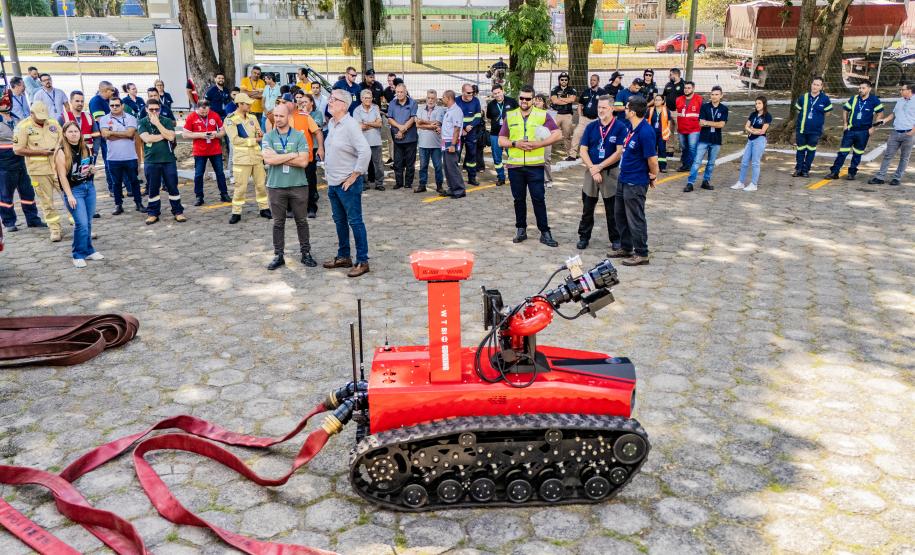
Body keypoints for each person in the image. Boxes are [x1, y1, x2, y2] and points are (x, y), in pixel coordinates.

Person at [498, 84, 562, 247]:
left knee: (538, 199)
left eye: (528, 98)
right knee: (518, 199)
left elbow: (557, 134)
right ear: (519, 98)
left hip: (535, 166)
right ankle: (521, 229)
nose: (524, 101)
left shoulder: (542, 115)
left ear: (533, 100)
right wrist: (515, 143)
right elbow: (501, 140)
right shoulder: (510, 116)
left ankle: (545, 232)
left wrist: (539, 145)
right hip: (515, 166)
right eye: (522, 98)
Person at [602, 96, 659, 266]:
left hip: (636, 181)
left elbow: (652, 160)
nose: (624, 110)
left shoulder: (646, 132)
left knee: (635, 217)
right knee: (620, 214)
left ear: (633, 112)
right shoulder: (632, 128)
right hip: (624, 178)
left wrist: (653, 175)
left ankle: (641, 253)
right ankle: (626, 247)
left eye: (626, 108)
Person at [261, 104, 316, 271]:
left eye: (281, 116)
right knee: (278, 222)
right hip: (276, 186)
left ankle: (305, 253)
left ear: (288, 118)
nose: (277, 119)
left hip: (298, 186)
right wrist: (292, 155)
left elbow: (304, 162)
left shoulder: (299, 136)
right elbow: (268, 160)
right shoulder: (268, 137)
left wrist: (279, 157)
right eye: (275, 116)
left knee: (302, 221)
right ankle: (279, 255)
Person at [323, 89, 371, 277]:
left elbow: (365, 151)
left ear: (343, 104)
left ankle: (362, 260)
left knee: (355, 221)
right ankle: (344, 256)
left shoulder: (350, 125)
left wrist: (355, 175)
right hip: (333, 183)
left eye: (333, 99)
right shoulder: (333, 123)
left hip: (347, 184)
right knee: (339, 221)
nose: (329, 101)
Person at [577, 95, 628, 251]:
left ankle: (616, 238)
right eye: (599, 107)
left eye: (604, 107)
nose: (600, 110)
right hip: (591, 172)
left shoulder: (620, 127)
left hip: (610, 173)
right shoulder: (591, 127)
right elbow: (583, 150)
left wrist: (600, 167)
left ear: (611, 108)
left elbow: (619, 153)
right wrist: (593, 168)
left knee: (613, 209)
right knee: (587, 208)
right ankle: (584, 237)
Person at [12, 102, 63, 241]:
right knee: (47, 201)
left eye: (44, 117)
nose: (42, 120)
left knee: (70, 196)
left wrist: (58, 147)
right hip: (38, 171)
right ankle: (55, 229)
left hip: (58, 167)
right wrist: (41, 152)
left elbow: (62, 138)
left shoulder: (52, 122)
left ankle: (79, 225)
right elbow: (17, 149)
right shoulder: (22, 127)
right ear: (32, 113)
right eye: (39, 117)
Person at [54, 121, 100, 267]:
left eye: (76, 131)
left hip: (88, 187)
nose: (74, 134)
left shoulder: (85, 147)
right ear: (65, 134)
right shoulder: (61, 151)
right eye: (70, 132)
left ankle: (89, 250)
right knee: (81, 224)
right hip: (74, 191)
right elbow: (62, 176)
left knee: (88, 222)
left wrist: (92, 169)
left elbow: (86, 167)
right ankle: (78, 254)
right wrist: (70, 195)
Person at [0, 92, 45, 232]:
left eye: (8, 101)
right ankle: (9, 222)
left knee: (28, 192)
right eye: (3, 101)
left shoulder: (18, 119)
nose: (6, 104)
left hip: (22, 160)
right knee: (5, 194)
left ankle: (32, 219)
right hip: (4, 163)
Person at [138, 99, 186, 225]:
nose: (154, 112)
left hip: (168, 160)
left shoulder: (166, 121)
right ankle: (153, 213)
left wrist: (158, 124)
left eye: (156, 109)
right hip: (151, 161)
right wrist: (163, 135)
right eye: (151, 109)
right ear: (146, 109)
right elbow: (146, 137)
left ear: (160, 109)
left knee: (172, 187)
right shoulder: (142, 122)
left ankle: (178, 211)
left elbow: (171, 137)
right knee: (153, 188)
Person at [224, 93, 270, 223]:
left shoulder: (252, 117)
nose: (250, 105)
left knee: (261, 185)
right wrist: (255, 139)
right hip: (241, 160)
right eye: (247, 104)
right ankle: (236, 212)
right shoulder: (230, 119)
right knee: (240, 187)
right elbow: (235, 140)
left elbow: (258, 132)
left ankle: (264, 208)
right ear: (239, 104)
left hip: (256, 158)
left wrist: (259, 134)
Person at [826, 80, 884, 181]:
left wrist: (873, 128)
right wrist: (845, 124)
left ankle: (851, 173)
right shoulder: (854, 99)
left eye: (863, 88)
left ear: (869, 89)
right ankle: (834, 172)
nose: (860, 90)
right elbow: (845, 110)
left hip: (864, 132)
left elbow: (880, 114)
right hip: (850, 131)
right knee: (842, 153)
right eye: (859, 88)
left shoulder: (874, 100)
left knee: (857, 154)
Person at [99, 96, 144, 213]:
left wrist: (112, 133)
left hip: (130, 157)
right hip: (113, 158)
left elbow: (130, 133)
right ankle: (118, 205)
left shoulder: (131, 118)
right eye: (112, 105)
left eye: (117, 105)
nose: (114, 107)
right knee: (116, 183)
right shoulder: (104, 119)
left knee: (134, 181)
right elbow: (104, 134)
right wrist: (123, 134)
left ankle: (139, 203)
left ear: (122, 106)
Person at [183, 99, 229, 206]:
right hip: (200, 151)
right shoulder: (191, 117)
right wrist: (201, 135)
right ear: (197, 109)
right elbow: (185, 134)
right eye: (202, 112)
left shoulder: (215, 115)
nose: (204, 114)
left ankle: (224, 194)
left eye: (206, 112)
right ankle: (199, 197)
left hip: (215, 149)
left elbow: (223, 131)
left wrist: (216, 135)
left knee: (220, 173)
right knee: (199, 174)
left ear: (209, 108)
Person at [868, 83, 915, 186]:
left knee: (904, 157)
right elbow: (894, 114)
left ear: (909, 91)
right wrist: (884, 121)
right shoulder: (900, 101)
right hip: (895, 132)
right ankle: (880, 177)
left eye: (903, 89)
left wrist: (913, 131)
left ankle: (897, 178)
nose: (900, 91)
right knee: (888, 155)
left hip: (908, 134)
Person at [686, 85, 728, 192]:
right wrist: (713, 123)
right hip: (704, 139)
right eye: (712, 94)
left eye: (716, 94)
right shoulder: (705, 107)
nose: (714, 96)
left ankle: (706, 181)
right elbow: (701, 123)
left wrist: (707, 122)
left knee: (711, 162)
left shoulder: (724, 109)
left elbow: (721, 125)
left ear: (721, 96)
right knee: (697, 161)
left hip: (716, 140)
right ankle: (690, 183)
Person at [290, 92, 324, 217]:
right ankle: (291, 208)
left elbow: (318, 132)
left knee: (308, 182)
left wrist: (320, 148)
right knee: (290, 183)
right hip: (288, 158)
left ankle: (311, 208)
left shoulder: (305, 117)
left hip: (306, 157)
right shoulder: (281, 117)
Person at [792, 77, 832, 177]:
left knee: (811, 150)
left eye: (818, 85)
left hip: (815, 131)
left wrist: (817, 120)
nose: (815, 86)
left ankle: (806, 170)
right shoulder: (803, 97)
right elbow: (797, 110)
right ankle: (798, 169)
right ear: (811, 84)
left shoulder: (825, 99)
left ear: (821, 87)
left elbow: (828, 113)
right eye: (814, 84)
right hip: (801, 129)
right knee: (800, 150)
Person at [733, 96, 771, 192]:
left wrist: (752, 130)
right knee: (744, 161)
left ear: (764, 104)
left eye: (759, 103)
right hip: (750, 140)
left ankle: (754, 184)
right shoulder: (753, 114)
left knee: (755, 163)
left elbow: (763, 131)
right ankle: (741, 183)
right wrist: (753, 130)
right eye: (756, 103)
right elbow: (746, 126)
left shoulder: (767, 116)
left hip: (759, 140)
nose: (757, 105)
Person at [387, 83, 419, 191]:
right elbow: (390, 119)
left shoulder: (413, 103)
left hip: (410, 138)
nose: (399, 94)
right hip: (397, 138)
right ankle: (399, 182)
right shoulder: (392, 103)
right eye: (397, 92)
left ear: (406, 92)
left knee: (410, 162)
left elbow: (413, 118)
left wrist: (403, 129)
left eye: (401, 92)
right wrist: (400, 127)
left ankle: (408, 183)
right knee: (398, 162)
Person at [485, 84, 518, 187]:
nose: (497, 95)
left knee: (512, 156)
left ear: (503, 91)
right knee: (497, 158)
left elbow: (518, 115)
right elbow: (489, 117)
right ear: (493, 95)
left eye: (499, 92)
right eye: (495, 94)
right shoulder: (491, 105)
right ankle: (501, 177)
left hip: (510, 134)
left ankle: (514, 177)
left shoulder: (512, 101)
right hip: (495, 134)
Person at [88, 82, 116, 196]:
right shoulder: (96, 101)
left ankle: (114, 186)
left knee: (110, 160)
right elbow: (100, 119)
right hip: (101, 136)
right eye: (111, 90)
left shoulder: (106, 101)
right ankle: (112, 188)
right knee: (107, 161)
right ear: (105, 90)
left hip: (108, 134)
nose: (113, 93)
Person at [415, 89, 445, 194]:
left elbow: (437, 124)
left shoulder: (440, 110)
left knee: (438, 166)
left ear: (436, 99)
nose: (430, 100)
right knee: (423, 166)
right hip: (423, 143)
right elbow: (417, 124)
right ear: (426, 98)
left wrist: (423, 122)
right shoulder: (420, 109)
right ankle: (422, 185)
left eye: (433, 98)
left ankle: (439, 186)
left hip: (436, 144)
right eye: (429, 98)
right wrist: (428, 125)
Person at [569, 74, 603, 162]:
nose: (592, 82)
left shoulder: (602, 93)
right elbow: (580, 105)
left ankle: (592, 155)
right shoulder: (586, 92)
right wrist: (580, 116)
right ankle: (572, 155)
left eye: (594, 80)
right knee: (576, 134)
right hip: (584, 119)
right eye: (591, 80)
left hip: (596, 120)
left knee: (596, 137)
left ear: (598, 81)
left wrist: (601, 118)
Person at [356, 89, 385, 191]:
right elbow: (359, 127)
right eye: (365, 98)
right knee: (363, 164)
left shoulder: (375, 108)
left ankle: (379, 183)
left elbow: (380, 124)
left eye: (369, 98)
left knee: (378, 164)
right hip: (363, 142)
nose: (368, 100)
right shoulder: (357, 110)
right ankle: (364, 183)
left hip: (376, 141)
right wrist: (373, 123)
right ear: (361, 99)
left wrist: (367, 123)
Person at [440, 90, 466, 198]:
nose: (442, 99)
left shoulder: (456, 111)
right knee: (447, 167)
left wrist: (453, 145)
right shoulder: (449, 110)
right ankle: (452, 188)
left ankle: (460, 190)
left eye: (443, 97)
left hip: (451, 142)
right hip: (446, 141)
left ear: (449, 98)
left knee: (452, 167)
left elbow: (456, 129)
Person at [455, 83, 483, 186]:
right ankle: (456, 180)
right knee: (456, 156)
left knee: (472, 155)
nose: (471, 94)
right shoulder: (456, 101)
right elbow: (453, 116)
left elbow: (478, 116)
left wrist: (470, 126)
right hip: (459, 132)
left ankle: (472, 178)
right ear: (463, 92)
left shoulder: (476, 101)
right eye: (469, 93)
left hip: (471, 132)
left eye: (472, 92)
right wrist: (462, 128)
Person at [675, 80, 702, 172]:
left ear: (693, 89)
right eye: (685, 88)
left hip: (694, 129)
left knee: (692, 148)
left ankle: (692, 166)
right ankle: (685, 165)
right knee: (684, 148)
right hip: (682, 129)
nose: (686, 90)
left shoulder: (699, 99)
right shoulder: (678, 99)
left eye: (689, 88)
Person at [550, 72, 578, 160]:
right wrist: (567, 100)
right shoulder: (555, 89)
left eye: (566, 80)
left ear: (568, 81)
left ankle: (570, 154)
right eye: (562, 79)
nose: (564, 81)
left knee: (567, 135)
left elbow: (572, 99)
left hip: (567, 115)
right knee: (550, 133)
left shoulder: (572, 89)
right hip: (557, 114)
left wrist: (560, 99)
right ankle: (547, 153)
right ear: (559, 80)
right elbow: (554, 101)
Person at [533, 94, 557, 186]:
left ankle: (549, 180)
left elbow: (554, 127)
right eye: (536, 100)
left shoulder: (549, 113)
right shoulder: (531, 112)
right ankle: (539, 179)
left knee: (546, 159)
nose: (537, 102)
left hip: (546, 139)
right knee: (537, 160)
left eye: (540, 100)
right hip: (535, 139)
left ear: (543, 102)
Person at [647, 93, 671, 172]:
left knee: (662, 150)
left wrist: (668, 130)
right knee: (651, 150)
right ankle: (650, 166)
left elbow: (669, 121)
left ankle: (662, 167)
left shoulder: (666, 110)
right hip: (651, 134)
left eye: (659, 100)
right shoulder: (650, 109)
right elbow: (646, 120)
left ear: (662, 101)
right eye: (655, 100)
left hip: (662, 133)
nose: (657, 101)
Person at [663, 68, 685, 136]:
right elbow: (664, 96)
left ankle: (681, 146)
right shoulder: (668, 84)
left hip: (678, 112)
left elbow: (686, 98)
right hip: (668, 111)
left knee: (680, 131)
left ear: (676, 74)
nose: (669, 76)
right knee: (669, 131)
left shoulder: (683, 85)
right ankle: (670, 146)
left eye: (670, 74)